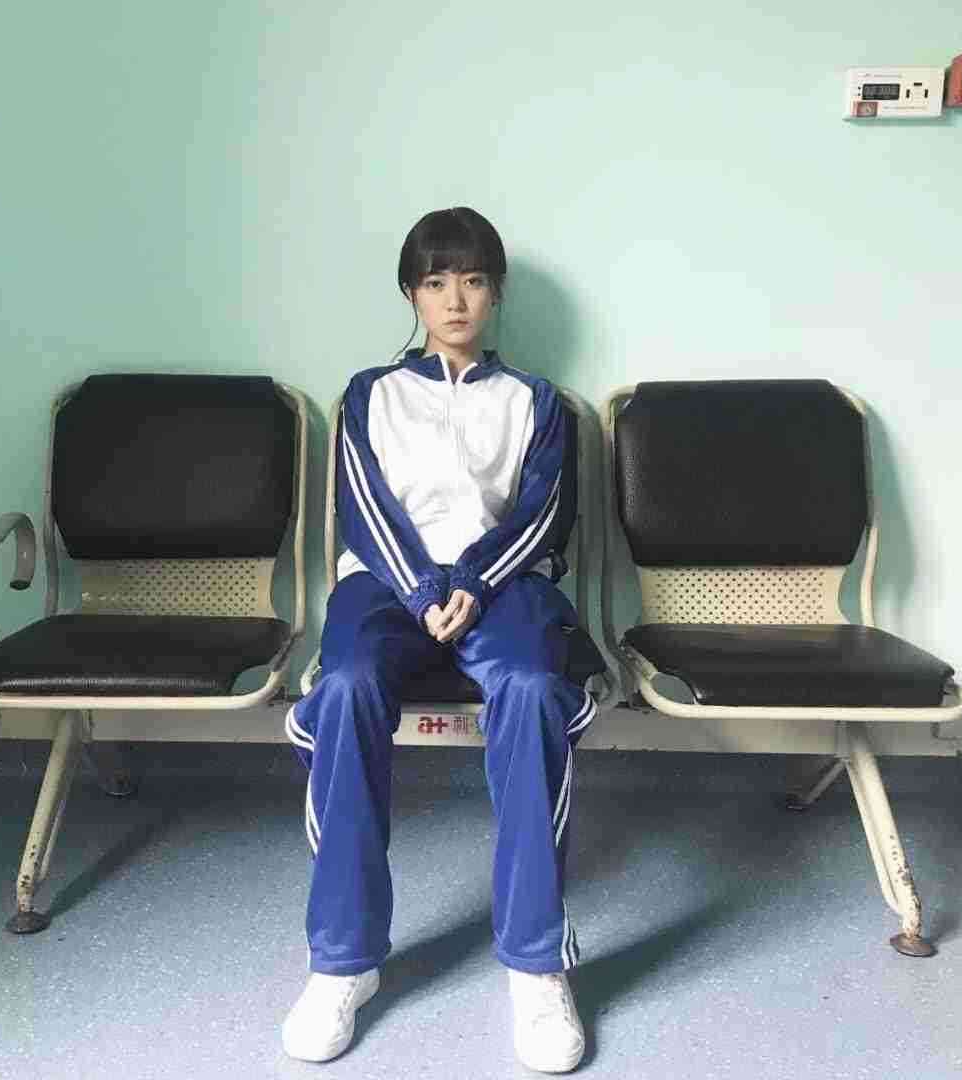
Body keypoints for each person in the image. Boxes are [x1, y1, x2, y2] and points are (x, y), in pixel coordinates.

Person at [282, 207, 595, 1072]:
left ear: (495, 293)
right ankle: (342, 963)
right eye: (435, 282)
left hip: (503, 587)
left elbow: (541, 516)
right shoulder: (369, 394)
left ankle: (535, 966)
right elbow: (364, 508)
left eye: (473, 281)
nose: (455, 300)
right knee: (344, 687)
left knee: (531, 690)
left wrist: (474, 583)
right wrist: (423, 589)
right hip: (387, 588)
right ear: (411, 294)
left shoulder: (537, 402)